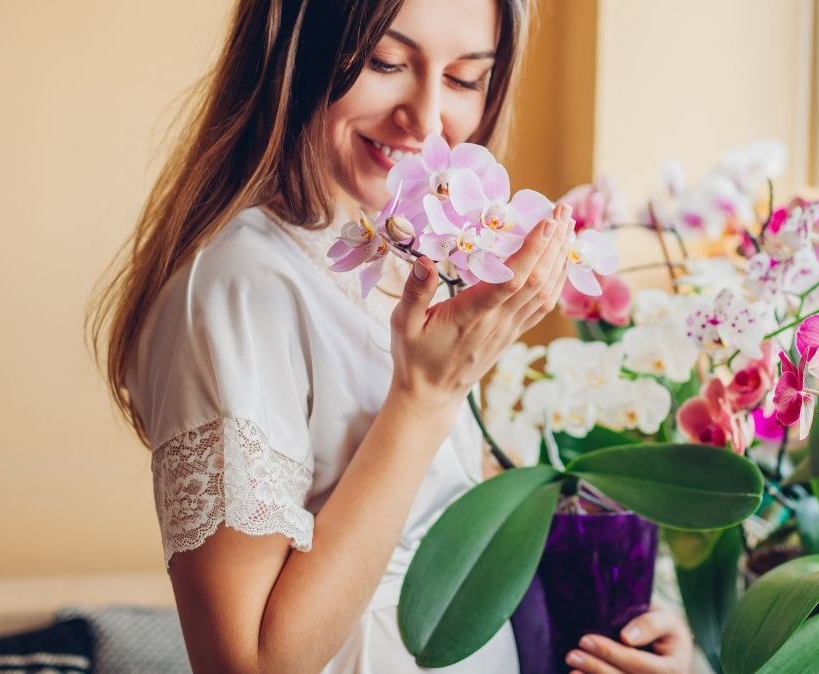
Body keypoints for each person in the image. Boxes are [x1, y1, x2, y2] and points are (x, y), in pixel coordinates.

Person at [89, 0, 694, 672]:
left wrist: (622, 631)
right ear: (295, 49)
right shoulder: (241, 286)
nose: (428, 119)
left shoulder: (391, 260)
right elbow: (248, 663)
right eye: (385, 62)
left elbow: (449, 533)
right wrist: (425, 396)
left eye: (466, 79)